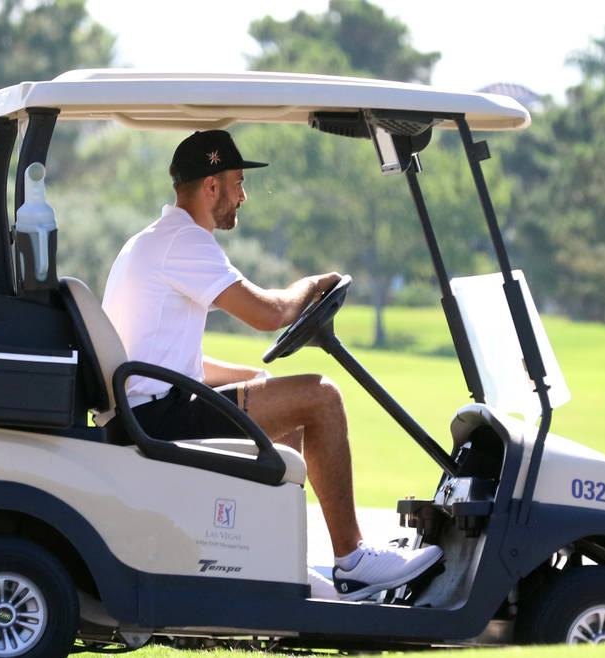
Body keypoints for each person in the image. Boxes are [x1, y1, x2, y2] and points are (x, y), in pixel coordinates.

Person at [101, 129, 442, 602]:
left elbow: (173, 357)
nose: (244, 195)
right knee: (321, 396)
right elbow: (269, 313)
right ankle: (354, 560)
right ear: (211, 187)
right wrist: (310, 287)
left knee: (283, 405)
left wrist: (251, 378)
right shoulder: (184, 242)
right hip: (159, 417)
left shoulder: (154, 240)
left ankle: (283, 562)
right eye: (237, 182)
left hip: (150, 407)